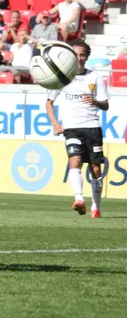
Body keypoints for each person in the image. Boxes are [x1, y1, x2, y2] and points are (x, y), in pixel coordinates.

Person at [46, 40, 109, 218]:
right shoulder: (61, 78)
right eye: (75, 55)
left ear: (87, 57)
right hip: (71, 128)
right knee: (75, 160)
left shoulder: (94, 77)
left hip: (92, 127)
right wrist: (55, 124)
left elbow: (105, 106)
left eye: (82, 55)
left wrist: (95, 101)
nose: (79, 58)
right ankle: (79, 199)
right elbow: (49, 103)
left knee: (96, 168)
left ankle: (96, 206)